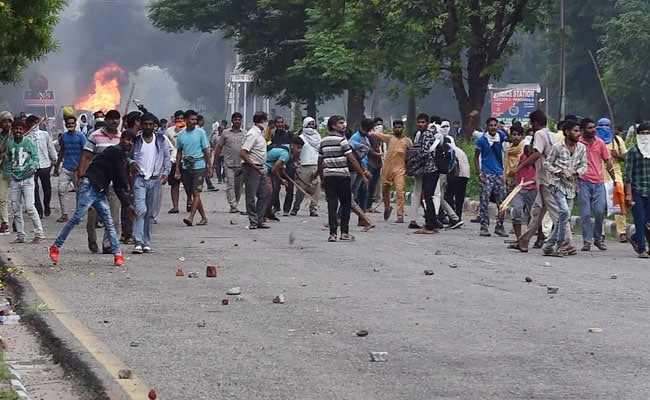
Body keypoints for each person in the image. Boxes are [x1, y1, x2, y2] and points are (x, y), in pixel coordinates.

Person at [48, 130, 137, 267]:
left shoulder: (120, 156)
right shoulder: (116, 152)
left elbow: (117, 183)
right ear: (122, 139)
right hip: (89, 186)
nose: (129, 143)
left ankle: (117, 254)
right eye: (127, 139)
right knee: (77, 218)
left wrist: (127, 204)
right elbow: (119, 179)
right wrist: (126, 189)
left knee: (109, 221)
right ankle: (56, 246)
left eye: (132, 141)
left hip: (100, 190)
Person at [508, 110, 577, 253]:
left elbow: (537, 153)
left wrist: (519, 167)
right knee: (537, 211)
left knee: (556, 212)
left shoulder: (539, 134)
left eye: (531, 123)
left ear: (535, 123)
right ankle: (524, 240)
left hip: (548, 180)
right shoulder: (552, 135)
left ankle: (568, 242)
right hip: (549, 178)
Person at [78, 109, 123, 254]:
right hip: (95, 182)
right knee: (92, 215)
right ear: (106, 120)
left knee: (114, 215)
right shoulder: (94, 136)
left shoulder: (120, 138)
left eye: (117, 119)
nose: (114, 122)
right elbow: (85, 157)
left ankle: (108, 244)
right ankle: (92, 239)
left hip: (112, 183)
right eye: (111, 119)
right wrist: (81, 176)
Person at [318, 115, 369, 242]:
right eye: (340, 123)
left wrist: (322, 177)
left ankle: (332, 233)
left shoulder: (323, 141)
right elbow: (351, 159)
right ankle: (344, 232)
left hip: (329, 176)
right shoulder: (342, 140)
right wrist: (362, 174)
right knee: (346, 203)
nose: (343, 125)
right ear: (333, 126)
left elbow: (320, 160)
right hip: (342, 176)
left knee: (332, 204)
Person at [542, 121, 587, 256]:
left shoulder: (581, 148)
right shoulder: (557, 147)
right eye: (575, 131)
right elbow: (547, 164)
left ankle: (549, 246)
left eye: (579, 131)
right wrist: (560, 171)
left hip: (571, 187)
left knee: (564, 217)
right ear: (567, 132)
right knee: (564, 212)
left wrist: (575, 173)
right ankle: (560, 245)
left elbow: (584, 166)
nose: (578, 134)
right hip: (557, 184)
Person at [129, 113, 170, 254]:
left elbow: (166, 158)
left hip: (155, 180)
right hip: (139, 180)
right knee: (140, 210)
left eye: (150, 124)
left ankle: (147, 241)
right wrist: (132, 163)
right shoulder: (135, 140)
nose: (147, 127)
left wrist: (166, 174)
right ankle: (138, 242)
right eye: (145, 124)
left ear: (154, 125)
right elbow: (127, 156)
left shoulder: (161, 140)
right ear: (141, 124)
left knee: (151, 213)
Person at [577, 118, 617, 251]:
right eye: (589, 128)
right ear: (583, 130)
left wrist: (614, 180)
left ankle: (598, 238)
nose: (593, 130)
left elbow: (608, 161)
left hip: (599, 182)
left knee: (600, 211)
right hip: (583, 181)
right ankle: (587, 241)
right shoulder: (578, 143)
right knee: (586, 213)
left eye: (593, 127)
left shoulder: (600, 143)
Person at [6, 120, 43, 244]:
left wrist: (33, 168)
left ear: (23, 130)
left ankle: (39, 234)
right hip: (15, 180)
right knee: (16, 208)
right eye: (15, 129)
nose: (18, 131)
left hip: (27, 179)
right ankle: (21, 236)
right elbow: (7, 159)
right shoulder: (9, 143)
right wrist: (9, 174)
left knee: (30, 207)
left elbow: (36, 157)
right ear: (12, 130)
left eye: (20, 129)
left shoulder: (28, 142)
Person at [368, 120, 412, 223]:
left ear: (403, 128)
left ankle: (400, 215)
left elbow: (411, 155)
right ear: (393, 128)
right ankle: (387, 207)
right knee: (384, 190)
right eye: (396, 127)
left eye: (399, 127)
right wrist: (369, 131)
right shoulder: (390, 138)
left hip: (400, 169)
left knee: (400, 191)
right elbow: (378, 135)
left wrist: (409, 168)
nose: (397, 129)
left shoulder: (407, 141)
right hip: (387, 168)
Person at [174, 109, 212, 227]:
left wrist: (209, 166)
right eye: (191, 119)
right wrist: (177, 168)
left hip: (199, 166)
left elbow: (206, 150)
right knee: (192, 193)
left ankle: (191, 217)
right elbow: (179, 152)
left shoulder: (201, 133)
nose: (194, 122)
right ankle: (204, 217)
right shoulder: (180, 135)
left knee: (196, 192)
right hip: (186, 167)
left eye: (195, 119)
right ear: (185, 120)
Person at [474, 117, 507, 237]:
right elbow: (476, 156)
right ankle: (484, 226)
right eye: (491, 125)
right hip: (487, 173)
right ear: (487, 127)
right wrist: (480, 173)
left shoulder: (501, 136)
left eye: (495, 125)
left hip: (499, 173)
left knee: (502, 202)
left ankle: (500, 226)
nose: (493, 127)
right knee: (484, 201)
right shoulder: (482, 140)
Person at [504, 124, 537, 241]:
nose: (516, 137)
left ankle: (537, 238)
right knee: (517, 211)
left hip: (531, 185)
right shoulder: (509, 150)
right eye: (514, 134)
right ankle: (519, 239)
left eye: (518, 135)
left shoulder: (527, 150)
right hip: (516, 185)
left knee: (534, 214)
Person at [240, 111, 271, 229]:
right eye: (266, 120)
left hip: (261, 167)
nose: (267, 123)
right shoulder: (252, 134)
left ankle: (260, 218)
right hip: (252, 168)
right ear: (262, 121)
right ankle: (253, 220)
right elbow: (243, 152)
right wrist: (253, 165)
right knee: (251, 194)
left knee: (264, 193)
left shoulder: (260, 134)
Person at [53, 116, 86, 222]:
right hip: (66, 168)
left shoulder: (81, 137)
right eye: (68, 124)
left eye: (72, 123)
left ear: (75, 124)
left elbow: (85, 153)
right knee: (61, 190)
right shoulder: (63, 137)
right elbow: (62, 151)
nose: (70, 125)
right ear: (66, 125)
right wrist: (57, 166)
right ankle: (64, 214)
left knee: (79, 193)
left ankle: (78, 215)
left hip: (78, 169)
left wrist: (82, 167)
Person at [624, 123, 650, 258]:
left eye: (647, 133)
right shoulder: (633, 152)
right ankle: (642, 249)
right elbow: (627, 174)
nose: (645, 136)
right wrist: (628, 194)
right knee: (640, 220)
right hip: (636, 190)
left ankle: (635, 238)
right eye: (643, 133)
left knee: (648, 221)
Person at [601, 118, 628, 242]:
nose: (604, 127)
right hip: (600, 176)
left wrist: (617, 155)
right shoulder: (595, 141)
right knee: (600, 205)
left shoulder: (617, 140)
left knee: (619, 202)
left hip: (615, 176)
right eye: (601, 125)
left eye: (607, 125)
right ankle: (600, 232)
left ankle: (622, 231)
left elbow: (625, 156)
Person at [25, 115, 57, 218]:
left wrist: (55, 159)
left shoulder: (45, 135)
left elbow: (50, 148)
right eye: (32, 123)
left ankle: (46, 205)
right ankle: (39, 210)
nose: (34, 125)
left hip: (45, 165)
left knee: (47, 188)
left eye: (35, 123)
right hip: (32, 166)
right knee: (34, 188)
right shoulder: (26, 137)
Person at [264, 137, 304, 218]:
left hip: (269, 168)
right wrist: (281, 179)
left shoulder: (287, 148)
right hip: (266, 169)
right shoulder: (285, 154)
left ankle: (269, 213)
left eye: (301, 148)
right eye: (298, 148)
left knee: (273, 191)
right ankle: (265, 214)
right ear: (292, 145)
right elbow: (274, 169)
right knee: (271, 191)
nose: (299, 150)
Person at [214, 112, 245, 213]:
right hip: (228, 163)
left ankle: (235, 202)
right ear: (232, 121)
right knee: (230, 185)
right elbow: (219, 148)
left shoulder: (245, 133)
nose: (237, 121)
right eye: (235, 119)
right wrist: (215, 162)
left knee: (238, 186)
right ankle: (233, 204)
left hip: (241, 164)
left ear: (241, 121)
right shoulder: (225, 133)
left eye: (239, 120)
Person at [408, 114, 435, 229]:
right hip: (425, 169)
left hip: (431, 168)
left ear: (427, 123)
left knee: (428, 196)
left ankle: (431, 221)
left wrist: (412, 162)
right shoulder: (421, 134)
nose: (420, 124)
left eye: (423, 122)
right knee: (427, 196)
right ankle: (432, 220)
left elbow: (424, 152)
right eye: (419, 122)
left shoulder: (427, 135)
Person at [291, 117, 321, 217]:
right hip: (303, 165)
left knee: (316, 188)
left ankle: (313, 209)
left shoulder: (318, 137)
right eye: (309, 124)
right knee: (301, 188)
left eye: (313, 124)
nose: (311, 126)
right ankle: (296, 207)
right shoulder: (301, 137)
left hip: (316, 165)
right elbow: (296, 151)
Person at [267, 116, 294, 216]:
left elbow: (294, 148)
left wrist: (295, 161)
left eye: (281, 122)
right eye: (278, 122)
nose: (280, 124)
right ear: (275, 124)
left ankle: (287, 209)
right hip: (276, 165)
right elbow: (268, 145)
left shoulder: (289, 134)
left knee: (290, 188)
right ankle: (276, 206)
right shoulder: (272, 135)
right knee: (275, 188)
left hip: (288, 164)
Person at [165, 110, 185, 213]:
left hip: (185, 160)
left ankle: (190, 202)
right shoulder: (169, 131)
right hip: (173, 160)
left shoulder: (188, 131)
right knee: (174, 184)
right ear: (174, 119)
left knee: (188, 184)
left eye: (182, 118)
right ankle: (175, 206)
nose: (180, 120)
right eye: (178, 119)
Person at [444, 145, 470, 221]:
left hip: (456, 174)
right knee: (460, 197)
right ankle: (458, 216)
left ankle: (453, 217)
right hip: (465, 174)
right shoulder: (459, 149)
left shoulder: (448, 149)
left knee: (449, 196)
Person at [0, 111, 13, 234]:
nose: (7, 124)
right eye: (4, 121)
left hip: (16, 171)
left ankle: (16, 222)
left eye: (9, 121)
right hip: (2, 170)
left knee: (16, 199)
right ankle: (5, 222)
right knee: (2, 197)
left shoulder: (16, 136)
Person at [197, 114, 217, 191]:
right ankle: (200, 186)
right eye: (203, 120)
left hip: (201, 154)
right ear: (199, 121)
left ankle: (208, 184)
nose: (204, 122)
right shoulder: (201, 131)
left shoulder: (199, 130)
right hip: (202, 154)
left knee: (204, 170)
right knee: (202, 170)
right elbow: (204, 145)